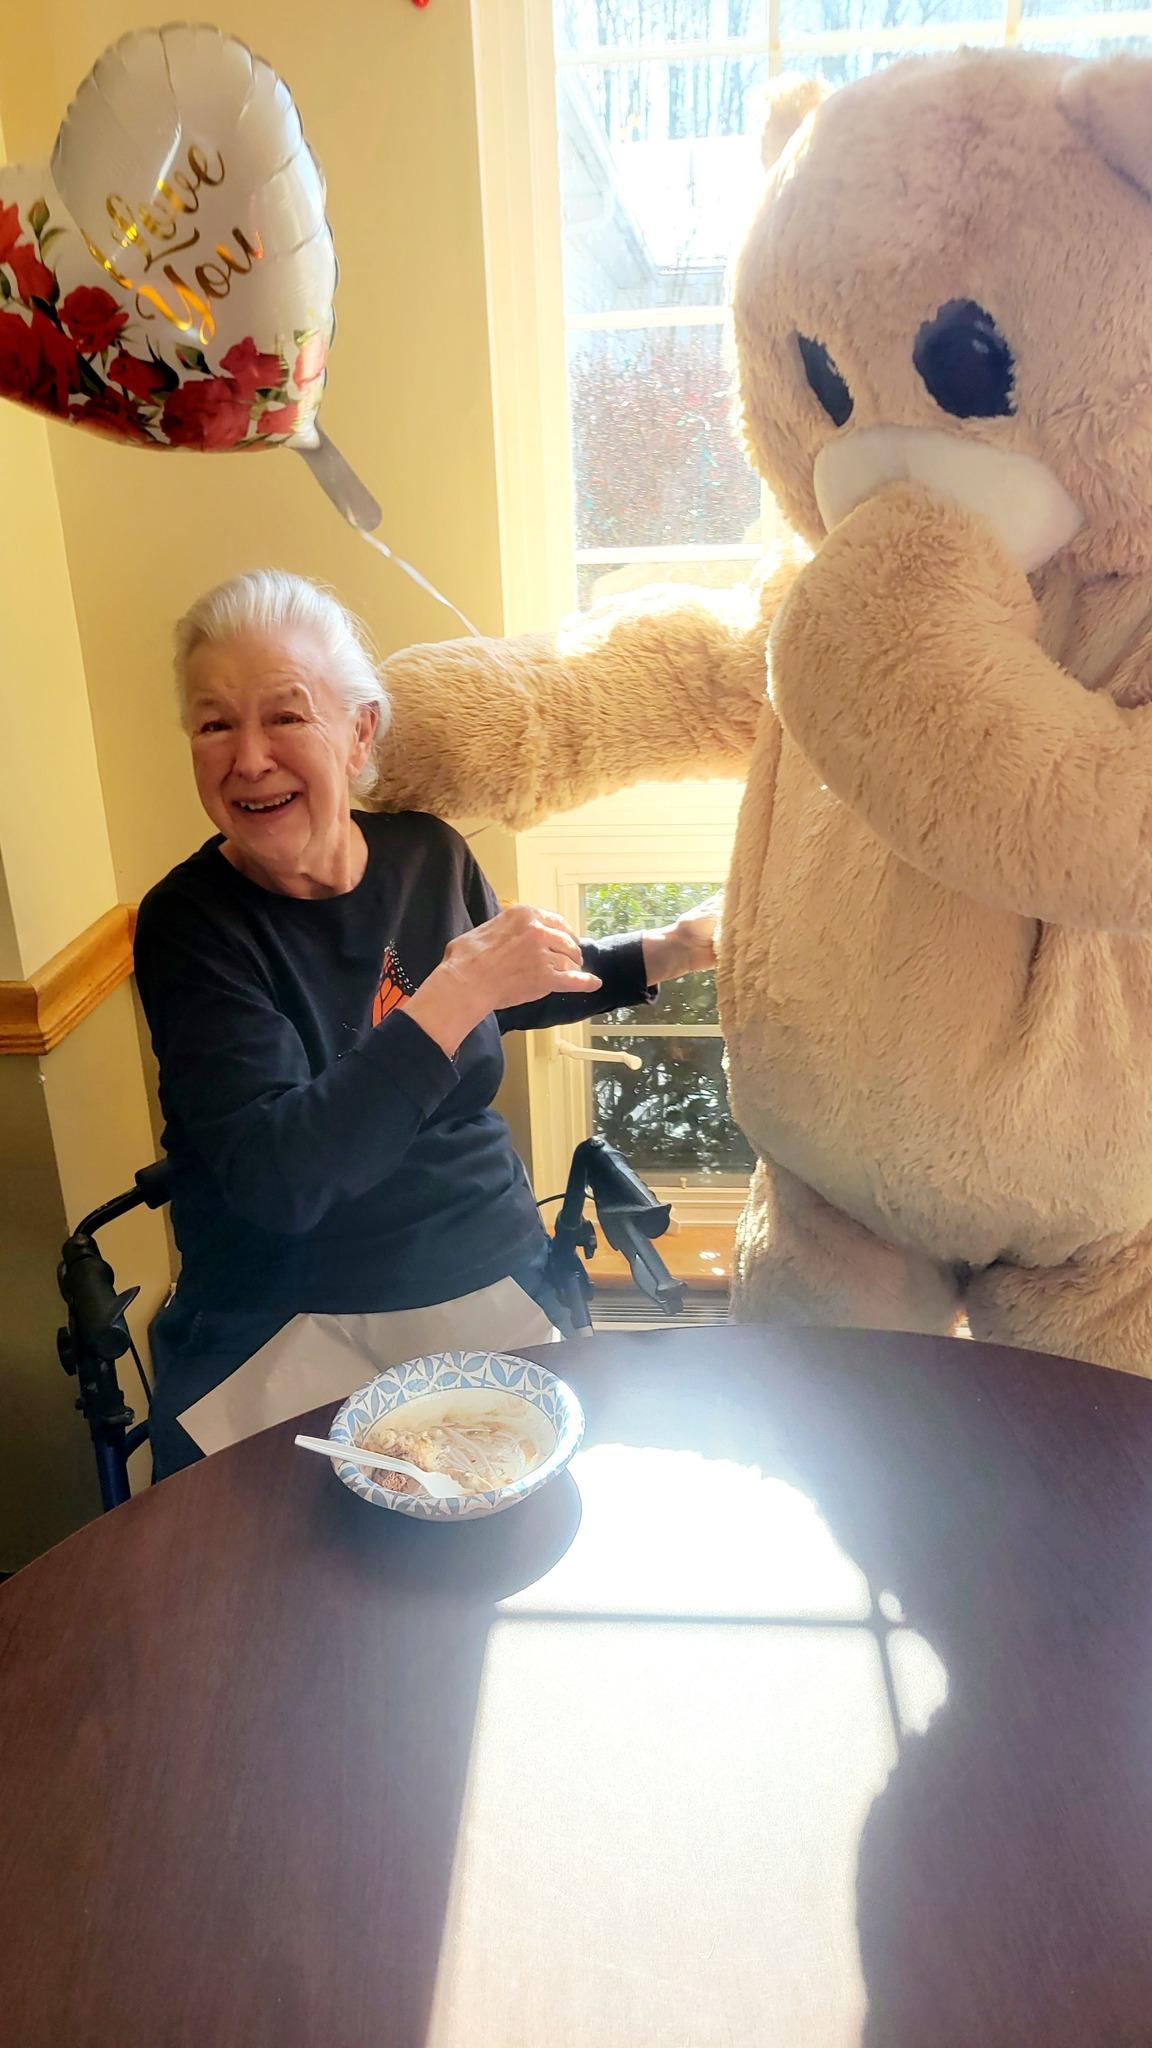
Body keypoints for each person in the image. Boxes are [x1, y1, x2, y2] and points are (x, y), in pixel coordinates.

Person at [135, 570, 718, 1477]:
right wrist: (449, 994)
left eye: (286, 716)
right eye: (215, 724)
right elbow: (284, 1177)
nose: (248, 758)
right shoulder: (190, 924)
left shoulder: (428, 854)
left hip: (480, 1263)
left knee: (534, 1515)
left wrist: (670, 949)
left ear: (359, 731)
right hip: (284, 1311)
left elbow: (505, 990)